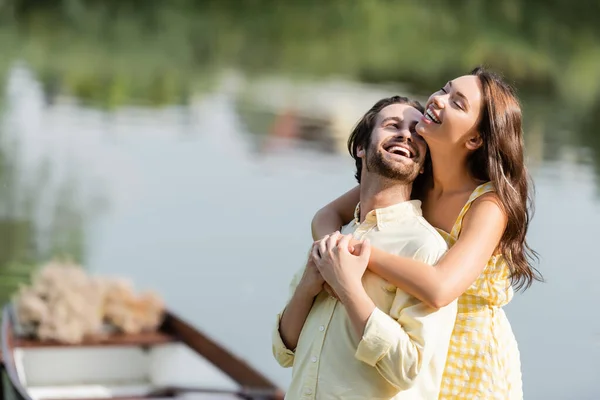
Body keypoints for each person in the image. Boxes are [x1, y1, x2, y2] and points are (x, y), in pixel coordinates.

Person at [311, 66, 542, 399]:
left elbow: (440, 288)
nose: (439, 100)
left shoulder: (489, 204)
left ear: (474, 139)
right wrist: (331, 250)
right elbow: (326, 215)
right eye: (445, 89)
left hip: (469, 355)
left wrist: (359, 256)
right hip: (415, 337)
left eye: (457, 103)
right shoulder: (417, 175)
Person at [272, 96, 458, 399]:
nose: (405, 134)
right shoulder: (335, 236)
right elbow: (284, 351)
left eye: (416, 132)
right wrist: (308, 285)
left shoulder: (424, 247)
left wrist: (347, 288)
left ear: (423, 164)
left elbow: (409, 369)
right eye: (392, 125)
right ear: (361, 147)